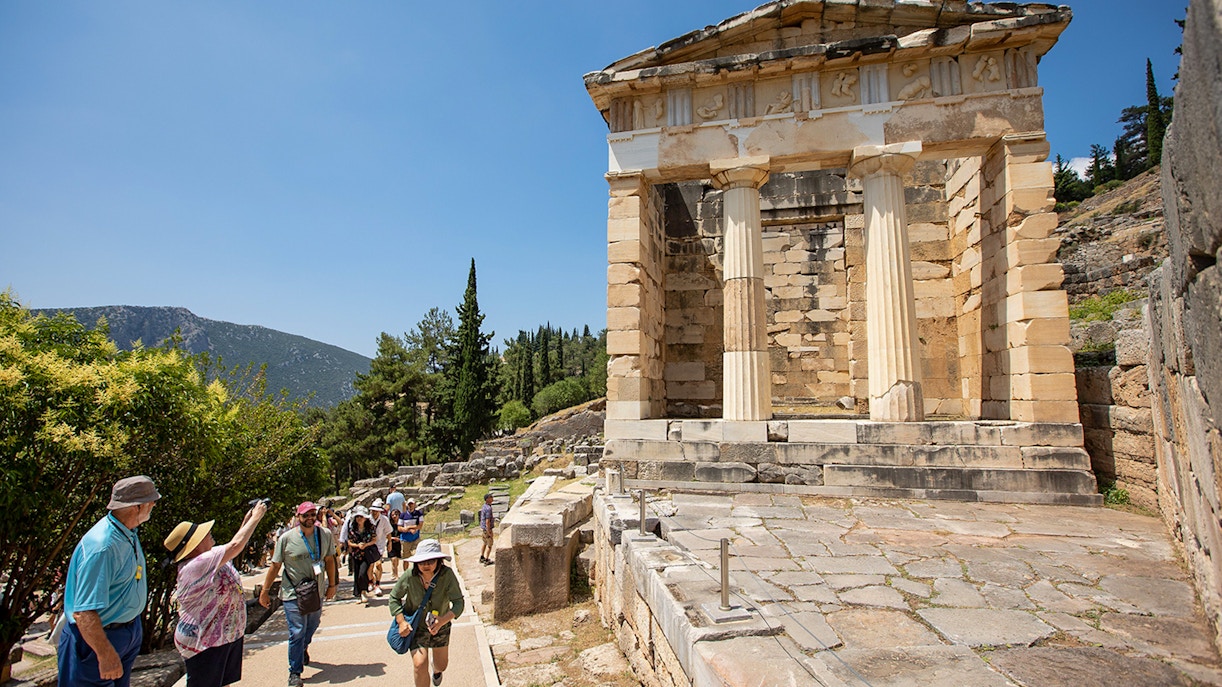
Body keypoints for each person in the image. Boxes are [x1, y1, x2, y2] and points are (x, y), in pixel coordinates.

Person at [58, 475, 161, 687]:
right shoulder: (103, 547)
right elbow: (84, 612)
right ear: (136, 506)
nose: (153, 505)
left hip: (125, 632)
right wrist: (104, 653)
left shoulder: (128, 531)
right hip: (97, 640)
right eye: (151, 501)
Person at [164, 500, 268, 687]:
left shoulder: (210, 558)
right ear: (193, 546)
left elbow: (233, 546)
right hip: (204, 641)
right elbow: (235, 545)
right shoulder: (196, 564)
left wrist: (247, 520)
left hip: (223, 636)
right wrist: (257, 517)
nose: (208, 533)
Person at [259, 502, 338, 687]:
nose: (309, 518)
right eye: (305, 515)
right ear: (298, 516)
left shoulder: (324, 535)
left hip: (315, 591)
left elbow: (329, 560)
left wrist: (333, 584)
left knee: (312, 625)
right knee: (297, 631)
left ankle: (302, 648)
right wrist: (264, 591)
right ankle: (295, 672)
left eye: (313, 514)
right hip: (293, 591)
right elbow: (275, 566)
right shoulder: (286, 538)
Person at [388, 540, 465, 687]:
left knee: (441, 665)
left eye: (431, 561)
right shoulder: (410, 575)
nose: (426, 565)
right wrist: (401, 621)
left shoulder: (447, 575)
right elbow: (394, 597)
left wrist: (442, 620)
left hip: (440, 626)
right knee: (419, 664)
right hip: (416, 627)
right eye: (422, 561)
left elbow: (458, 603)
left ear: (438, 561)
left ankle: (436, 670)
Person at [345, 506, 377, 603]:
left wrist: (366, 544)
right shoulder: (352, 528)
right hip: (356, 554)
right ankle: (359, 593)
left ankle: (363, 592)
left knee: (362, 573)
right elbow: (349, 542)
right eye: (357, 516)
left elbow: (374, 540)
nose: (359, 518)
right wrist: (357, 545)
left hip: (367, 554)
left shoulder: (371, 527)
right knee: (357, 574)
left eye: (361, 516)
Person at [368, 501, 393, 595]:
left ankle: (377, 584)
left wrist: (389, 543)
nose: (374, 512)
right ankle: (371, 581)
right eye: (373, 510)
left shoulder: (384, 519)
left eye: (376, 511)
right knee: (370, 565)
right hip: (369, 544)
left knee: (378, 564)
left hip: (379, 545)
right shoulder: (367, 519)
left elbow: (388, 532)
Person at [479, 492, 496, 565]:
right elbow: (487, 521)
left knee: (484, 542)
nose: (492, 498)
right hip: (487, 529)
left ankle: (482, 557)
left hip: (483, 529)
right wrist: (489, 531)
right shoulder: (488, 508)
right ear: (487, 499)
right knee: (489, 545)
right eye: (491, 497)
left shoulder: (484, 506)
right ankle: (486, 559)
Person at [387, 510, 403, 578]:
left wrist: (400, 539)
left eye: (396, 514)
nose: (394, 516)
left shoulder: (401, 524)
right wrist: (392, 538)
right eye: (393, 515)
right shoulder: (389, 525)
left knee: (397, 560)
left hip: (399, 543)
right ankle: (395, 574)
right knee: (393, 559)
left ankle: (394, 572)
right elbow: (387, 534)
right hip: (391, 543)